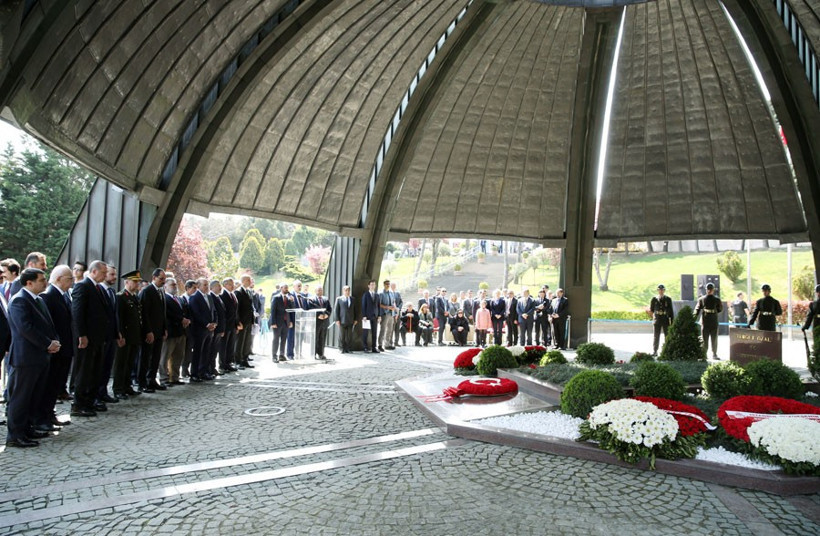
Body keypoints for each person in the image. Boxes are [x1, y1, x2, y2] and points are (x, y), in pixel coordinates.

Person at [5, 268, 60, 448]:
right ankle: (15, 435)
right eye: (42, 280)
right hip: (25, 358)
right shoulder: (20, 300)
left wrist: (54, 341)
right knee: (21, 398)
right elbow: (26, 328)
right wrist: (47, 343)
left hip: (39, 357)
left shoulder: (37, 299)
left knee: (33, 396)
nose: (45, 283)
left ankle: (27, 428)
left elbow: (46, 324)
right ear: (29, 283)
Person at [36, 265, 74, 427]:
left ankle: (50, 414)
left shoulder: (64, 296)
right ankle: (43, 417)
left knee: (57, 385)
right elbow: (47, 324)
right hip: (55, 349)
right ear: (58, 279)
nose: (72, 281)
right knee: (49, 385)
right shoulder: (49, 296)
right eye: (69, 279)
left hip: (64, 348)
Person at [71, 260, 110, 416]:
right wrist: (82, 334)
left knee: (95, 371)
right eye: (103, 272)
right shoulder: (83, 286)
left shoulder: (98, 288)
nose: (105, 275)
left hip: (98, 338)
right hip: (87, 338)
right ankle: (79, 404)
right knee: (84, 371)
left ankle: (90, 401)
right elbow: (77, 313)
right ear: (94, 271)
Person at [113, 271, 143, 398]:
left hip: (134, 335)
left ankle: (127, 385)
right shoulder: (120, 297)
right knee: (121, 363)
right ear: (126, 282)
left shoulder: (135, 297)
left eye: (138, 281)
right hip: (125, 335)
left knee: (130, 362)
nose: (137, 284)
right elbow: (119, 317)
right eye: (134, 281)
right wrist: (120, 334)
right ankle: (118, 388)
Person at [139, 268, 168, 391]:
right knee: (145, 358)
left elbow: (162, 313)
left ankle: (151, 380)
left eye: (164, 279)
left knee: (156, 357)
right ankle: (142, 382)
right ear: (154, 277)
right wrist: (148, 331)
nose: (163, 281)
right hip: (149, 331)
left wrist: (164, 329)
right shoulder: (147, 291)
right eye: (161, 279)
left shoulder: (160, 292)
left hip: (158, 331)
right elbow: (144, 313)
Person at [188, 278, 216, 381]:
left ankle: (203, 372)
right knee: (197, 353)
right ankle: (194, 374)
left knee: (206, 352)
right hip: (199, 330)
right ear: (198, 286)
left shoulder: (209, 297)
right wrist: (206, 324)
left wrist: (214, 323)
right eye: (204, 285)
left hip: (209, 330)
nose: (207, 287)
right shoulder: (194, 297)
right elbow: (196, 313)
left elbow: (213, 310)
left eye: (207, 285)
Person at [695, 282, 722, 359]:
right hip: (705, 321)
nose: (709, 291)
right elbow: (697, 309)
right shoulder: (701, 299)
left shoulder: (717, 299)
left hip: (713, 320)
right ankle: (704, 354)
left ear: (713, 290)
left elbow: (720, 309)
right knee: (704, 339)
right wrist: (693, 317)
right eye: (708, 289)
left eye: (710, 289)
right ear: (706, 290)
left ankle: (714, 353)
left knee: (714, 338)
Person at [234, 275, 255, 369]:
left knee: (247, 341)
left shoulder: (249, 291)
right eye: (248, 280)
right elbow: (237, 309)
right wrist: (238, 321)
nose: (250, 281)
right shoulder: (238, 292)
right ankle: (238, 361)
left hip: (248, 321)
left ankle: (245, 359)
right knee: (239, 342)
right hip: (242, 321)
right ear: (243, 281)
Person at [649, 284, 674, 356]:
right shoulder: (654, 299)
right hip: (657, 319)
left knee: (667, 335)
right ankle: (655, 351)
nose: (661, 291)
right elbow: (651, 310)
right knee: (656, 336)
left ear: (664, 290)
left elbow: (671, 311)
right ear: (657, 290)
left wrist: (672, 321)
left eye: (662, 290)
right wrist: (653, 318)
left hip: (665, 319)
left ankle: (667, 351)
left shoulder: (668, 299)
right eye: (659, 290)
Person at [220, 278, 239, 372]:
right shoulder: (223, 295)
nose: (233, 286)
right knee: (224, 345)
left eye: (233, 284)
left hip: (232, 325)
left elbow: (235, 311)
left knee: (230, 345)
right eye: (230, 284)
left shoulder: (233, 295)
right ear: (225, 285)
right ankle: (222, 364)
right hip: (226, 325)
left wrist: (236, 324)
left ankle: (228, 363)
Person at [269, 282, 292, 362]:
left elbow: (291, 310)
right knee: (276, 339)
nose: (287, 289)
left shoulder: (289, 298)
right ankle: (274, 356)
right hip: (277, 322)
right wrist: (273, 322)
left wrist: (292, 301)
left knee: (284, 339)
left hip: (286, 322)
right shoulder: (276, 297)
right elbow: (273, 310)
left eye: (287, 288)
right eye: (285, 288)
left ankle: (281, 355)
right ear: (281, 288)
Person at [334, 285, 357, 353]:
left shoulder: (353, 299)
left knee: (349, 335)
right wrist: (337, 320)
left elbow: (355, 310)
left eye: (348, 290)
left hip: (350, 320)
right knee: (342, 335)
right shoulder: (339, 299)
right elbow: (336, 310)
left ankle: (348, 348)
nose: (347, 292)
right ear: (343, 291)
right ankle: (341, 348)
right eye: (346, 290)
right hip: (342, 320)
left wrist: (355, 319)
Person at [311, 285, 332, 359]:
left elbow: (329, 309)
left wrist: (327, 315)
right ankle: (313, 354)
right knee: (315, 338)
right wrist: (317, 316)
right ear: (315, 291)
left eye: (321, 290)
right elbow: (310, 309)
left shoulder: (326, 299)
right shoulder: (312, 299)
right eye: (318, 290)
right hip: (316, 322)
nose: (320, 291)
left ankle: (321, 353)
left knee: (322, 338)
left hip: (324, 322)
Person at [361, 280, 380, 353]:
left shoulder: (377, 295)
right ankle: (365, 347)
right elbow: (363, 306)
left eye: (374, 285)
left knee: (374, 333)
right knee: (365, 333)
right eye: (371, 285)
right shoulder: (365, 295)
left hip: (375, 316)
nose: (372, 286)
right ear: (368, 286)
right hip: (367, 317)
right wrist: (364, 315)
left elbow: (378, 306)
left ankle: (374, 347)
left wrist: (379, 316)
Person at [377, 280, 396, 351]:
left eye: (389, 284)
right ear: (384, 285)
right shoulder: (381, 293)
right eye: (386, 284)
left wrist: (394, 307)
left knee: (389, 330)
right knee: (383, 329)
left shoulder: (391, 293)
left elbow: (393, 302)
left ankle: (387, 344)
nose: (388, 285)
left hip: (391, 314)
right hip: (384, 314)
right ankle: (380, 345)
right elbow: (379, 304)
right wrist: (388, 307)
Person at [390, 282, 403, 349]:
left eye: (395, 286)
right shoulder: (389, 293)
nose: (394, 286)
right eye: (392, 285)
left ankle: (396, 342)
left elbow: (401, 302)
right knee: (391, 328)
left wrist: (398, 308)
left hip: (398, 313)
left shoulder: (397, 293)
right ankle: (390, 342)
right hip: (391, 313)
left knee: (397, 328)